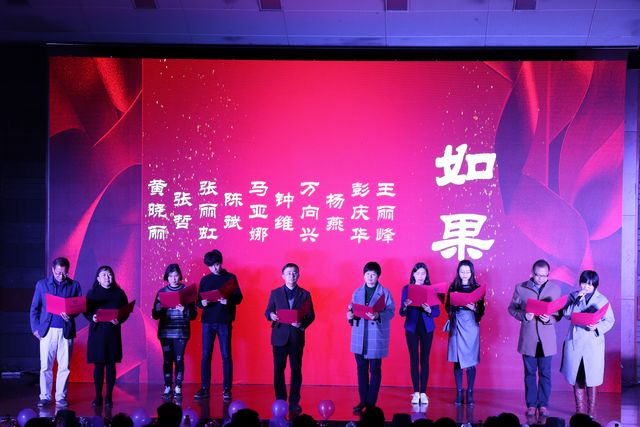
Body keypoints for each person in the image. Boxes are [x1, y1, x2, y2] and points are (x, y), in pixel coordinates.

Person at [507, 259, 562, 418]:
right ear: (532, 273)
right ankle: (531, 405)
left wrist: (549, 319)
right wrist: (524, 315)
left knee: (545, 374)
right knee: (529, 374)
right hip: (529, 338)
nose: (540, 279)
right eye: (537, 275)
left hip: (546, 339)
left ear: (548, 275)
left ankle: (543, 405)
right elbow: (512, 309)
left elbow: (558, 314)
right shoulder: (521, 288)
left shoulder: (555, 289)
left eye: (544, 276)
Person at [29, 257, 82, 408]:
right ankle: (45, 397)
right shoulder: (42, 284)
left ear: (68, 271)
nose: (61, 276)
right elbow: (34, 308)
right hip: (47, 331)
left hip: (66, 330)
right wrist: (35, 328)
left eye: (64, 273)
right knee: (45, 366)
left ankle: (61, 397)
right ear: (53, 270)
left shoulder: (74, 285)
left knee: (64, 366)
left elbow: (78, 307)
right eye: (58, 273)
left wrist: (70, 314)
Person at [560, 270, 615, 417]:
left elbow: (610, 320)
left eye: (590, 285)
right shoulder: (574, 296)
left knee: (591, 377)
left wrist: (596, 327)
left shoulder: (602, 300)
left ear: (595, 286)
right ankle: (579, 410)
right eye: (584, 283)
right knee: (577, 375)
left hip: (592, 343)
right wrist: (577, 299)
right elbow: (566, 314)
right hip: (576, 341)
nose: (586, 287)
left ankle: (591, 411)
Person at [265, 263, 315, 415]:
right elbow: (268, 311)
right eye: (288, 273)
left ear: (298, 275)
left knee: (296, 369)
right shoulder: (275, 293)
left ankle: (294, 402)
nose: (291, 275)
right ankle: (280, 400)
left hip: (296, 337)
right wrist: (271, 315)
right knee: (278, 369)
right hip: (279, 337)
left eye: (294, 273)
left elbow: (311, 315)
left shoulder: (305, 294)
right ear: (283, 276)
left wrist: (301, 324)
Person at [347, 261, 396, 414]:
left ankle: (371, 404)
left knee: (375, 370)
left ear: (378, 276)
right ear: (364, 275)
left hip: (376, 335)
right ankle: (362, 401)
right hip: (360, 335)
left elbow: (391, 311)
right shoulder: (357, 292)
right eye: (367, 274)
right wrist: (349, 315)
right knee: (361, 369)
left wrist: (378, 315)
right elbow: (352, 309)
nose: (370, 277)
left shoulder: (385, 292)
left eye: (373, 274)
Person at [194, 249, 243, 401]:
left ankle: (227, 389)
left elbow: (239, 297)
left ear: (221, 262)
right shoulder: (205, 280)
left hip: (224, 321)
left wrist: (228, 301)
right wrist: (202, 303)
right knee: (206, 355)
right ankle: (204, 388)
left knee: (226, 355)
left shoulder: (230, 277)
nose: (214, 268)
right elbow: (198, 301)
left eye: (216, 264)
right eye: (211, 266)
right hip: (207, 321)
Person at [85, 266, 130, 407]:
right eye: (103, 275)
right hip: (97, 333)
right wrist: (92, 317)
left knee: (111, 365)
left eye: (109, 275)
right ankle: (98, 396)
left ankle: (109, 397)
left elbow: (125, 312)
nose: (107, 277)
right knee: (98, 365)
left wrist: (119, 319)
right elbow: (86, 311)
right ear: (98, 279)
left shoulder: (120, 293)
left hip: (112, 333)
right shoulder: (92, 294)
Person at [152, 264, 197, 399]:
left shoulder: (187, 291)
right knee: (167, 360)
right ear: (167, 277)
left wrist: (184, 310)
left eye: (176, 275)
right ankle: (167, 386)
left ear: (180, 275)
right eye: (170, 276)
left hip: (181, 332)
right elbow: (155, 314)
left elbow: (194, 315)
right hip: (165, 332)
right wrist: (159, 309)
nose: (173, 278)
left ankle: (178, 386)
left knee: (179, 359)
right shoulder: (162, 292)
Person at [399, 262, 441, 405]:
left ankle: (423, 392)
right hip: (411, 327)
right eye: (418, 273)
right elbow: (401, 312)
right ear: (413, 275)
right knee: (414, 359)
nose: (420, 276)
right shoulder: (407, 288)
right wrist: (405, 305)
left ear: (426, 275)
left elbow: (437, 312)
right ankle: (416, 392)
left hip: (427, 327)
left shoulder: (432, 290)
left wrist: (429, 310)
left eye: (423, 273)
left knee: (425, 360)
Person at [445, 259, 485, 407]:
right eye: (462, 271)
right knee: (458, 360)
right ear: (458, 272)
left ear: (472, 272)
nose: (465, 274)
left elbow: (482, 310)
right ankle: (459, 392)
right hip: (457, 323)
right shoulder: (453, 286)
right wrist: (454, 306)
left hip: (471, 325)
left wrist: (474, 308)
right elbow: (447, 306)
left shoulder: (477, 288)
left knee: (471, 361)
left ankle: (470, 393)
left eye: (468, 271)